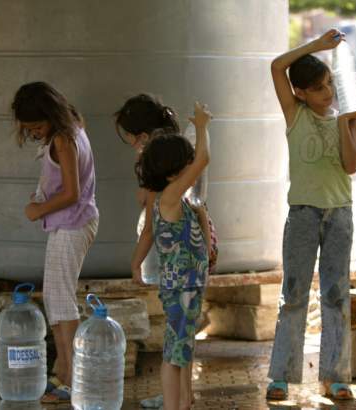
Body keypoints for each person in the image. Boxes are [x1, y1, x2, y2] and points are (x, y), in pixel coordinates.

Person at [266, 28, 356, 401]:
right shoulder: (295, 115)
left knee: (337, 295)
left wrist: (346, 121)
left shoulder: (347, 114)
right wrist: (317, 46)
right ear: (300, 94)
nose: (327, 94)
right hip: (303, 215)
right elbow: (277, 67)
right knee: (293, 295)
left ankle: (335, 376)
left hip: (339, 215)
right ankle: (280, 376)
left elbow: (352, 165)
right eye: (319, 89)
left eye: (329, 85)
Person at [114, 94, 217, 408]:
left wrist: (134, 265)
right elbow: (204, 159)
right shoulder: (170, 195)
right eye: (187, 166)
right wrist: (201, 126)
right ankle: (175, 404)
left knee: (182, 349)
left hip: (187, 286)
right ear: (175, 173)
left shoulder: (172, 198)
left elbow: (146, 235)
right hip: (181, 288)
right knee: (174, 355)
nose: (192, 171)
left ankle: (184, 401)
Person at [11, 81, 99, 403]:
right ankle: (63, 373)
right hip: (68, 224)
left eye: (36, 126)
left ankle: (74, 380)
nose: (33, 133)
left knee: (62, 303)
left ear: (50, 116)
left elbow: (72, 192)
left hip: (73, 224)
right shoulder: (71, 126)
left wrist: (37, 210)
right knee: (56, 300)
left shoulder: (63, 138)